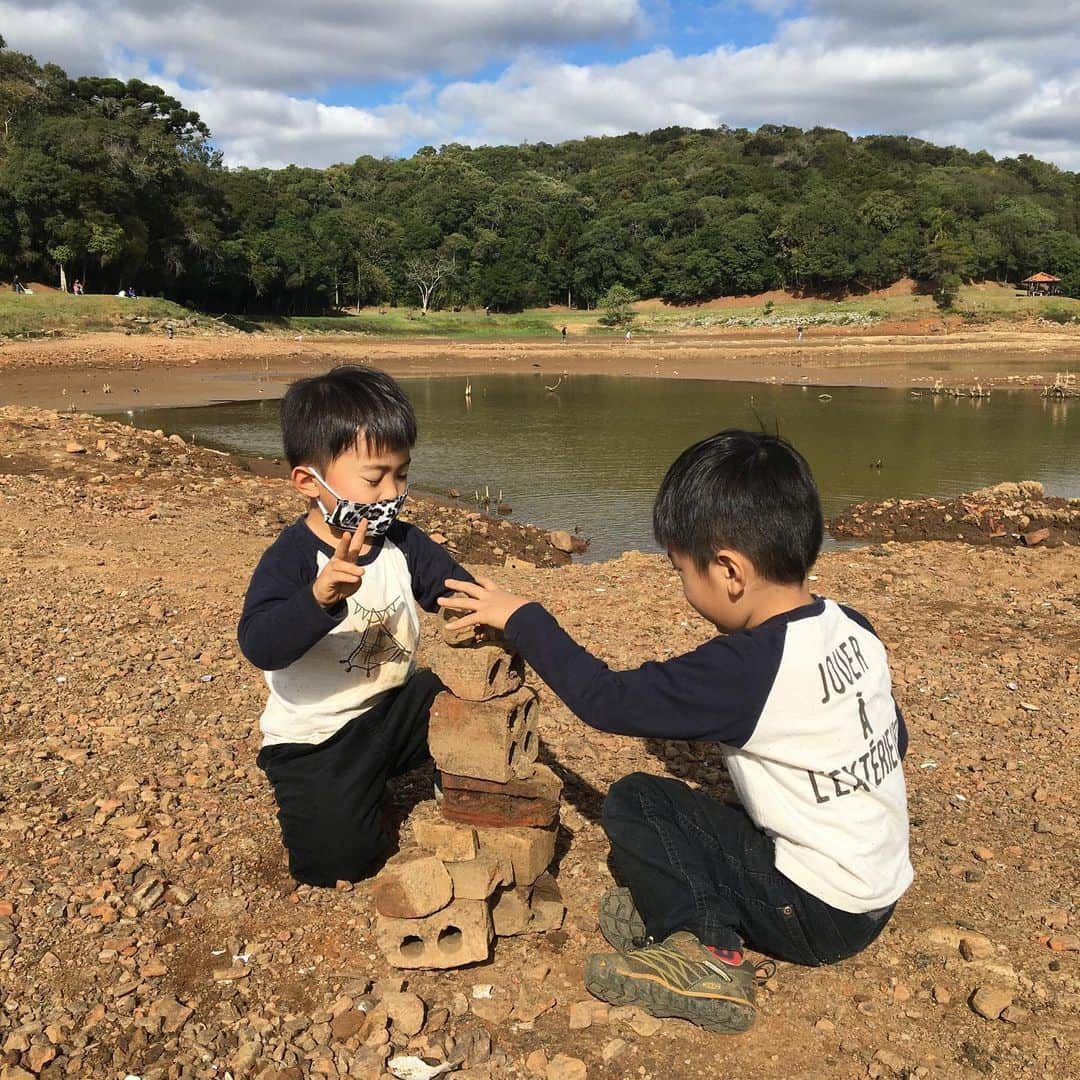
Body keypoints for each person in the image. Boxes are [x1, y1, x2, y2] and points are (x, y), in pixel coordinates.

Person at [440, 430, 912, 1035]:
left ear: (729, 572)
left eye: (681, 570)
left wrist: (524, 617)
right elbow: (892, 739)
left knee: (640, 802)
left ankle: (708, 950)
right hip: (875, 889)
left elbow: (605, 700)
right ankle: (690, 909)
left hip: (817, 916)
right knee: (707, 814)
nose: (684, 587)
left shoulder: (744, 670)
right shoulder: (852, 626)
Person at [238, 366, 474, 887]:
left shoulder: (404, 544)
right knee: (338, 864)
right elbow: (260, 643)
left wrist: (494, 611)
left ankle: (409, 771)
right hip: (316, 738)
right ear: (308, 481)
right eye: (374, 478)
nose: (392, 491)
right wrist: (318, 598)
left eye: (402, 474)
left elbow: (455, 588)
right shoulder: (292, 560)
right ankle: (345, 790)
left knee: (460, 702)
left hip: (391, 710)